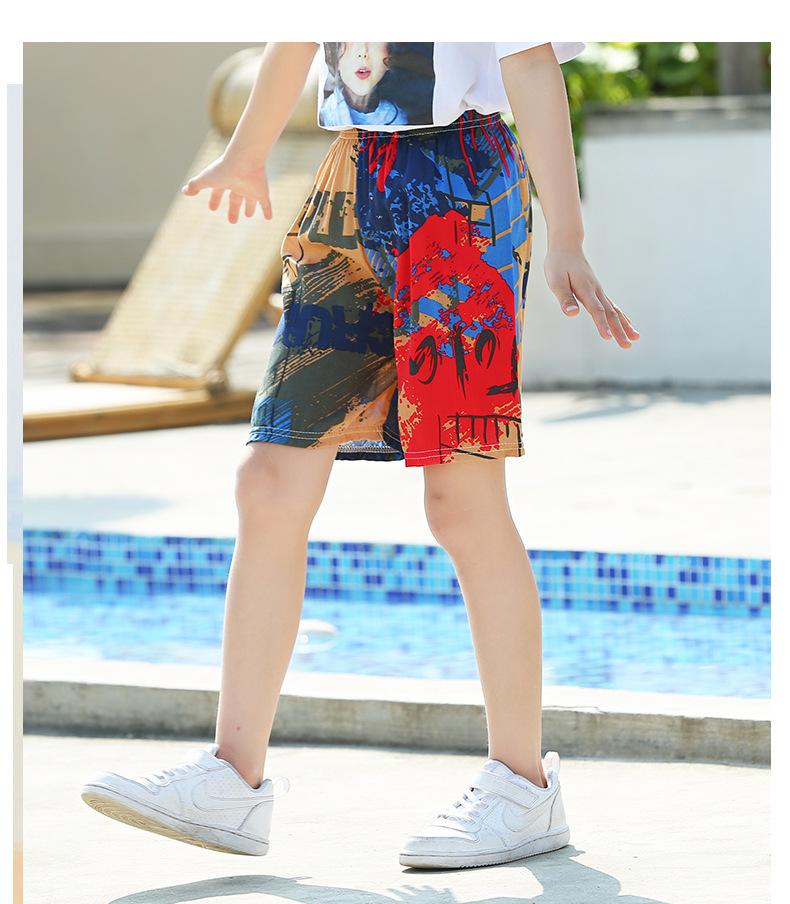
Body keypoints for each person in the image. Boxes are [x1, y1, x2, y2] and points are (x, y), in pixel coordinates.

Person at [81, 40, 640, 871]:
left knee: (461, 501)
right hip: (351, 179)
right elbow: (298, 33)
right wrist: (247, 151)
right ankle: (233, 777)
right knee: (268, 480)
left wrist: (568, 235)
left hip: (464, 190)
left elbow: (529, 64)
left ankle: (523, 786)